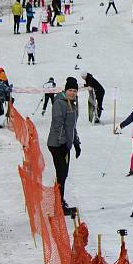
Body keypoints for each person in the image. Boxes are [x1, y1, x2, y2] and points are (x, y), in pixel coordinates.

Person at [46, 76, 81, 214]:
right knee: (61, 173)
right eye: (70, 90)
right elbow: (58, 124)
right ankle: (59, 205)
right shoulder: (59, 103)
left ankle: (60, 201)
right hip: (56, 144)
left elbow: (72, 126)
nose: (72, 93)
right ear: (65, 90)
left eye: (74, 90)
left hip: (66, 144)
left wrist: (76, 142)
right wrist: (62, 143)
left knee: (64, 174)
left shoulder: (73, 103)